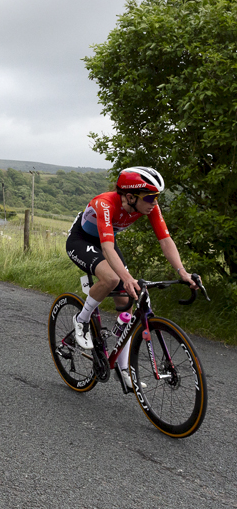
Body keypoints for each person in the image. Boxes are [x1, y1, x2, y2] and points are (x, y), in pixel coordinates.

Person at [66, 166, 198, 388]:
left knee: (128, 299)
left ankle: (123, 366)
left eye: (156, 197)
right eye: (150, 197)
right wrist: (126, 277)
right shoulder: (105, 203)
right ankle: (81, 320)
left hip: (105, 242)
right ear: (130, 196)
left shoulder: (147, 206)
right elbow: (107, 247)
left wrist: (182, 271)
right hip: (82, 241)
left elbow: (165, 240)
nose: (154, 202)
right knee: (112, 279)